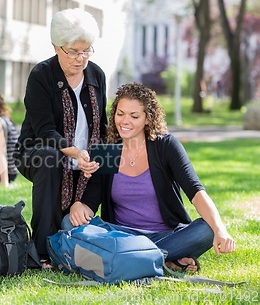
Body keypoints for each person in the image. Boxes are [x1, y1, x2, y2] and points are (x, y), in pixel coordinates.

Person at [63, 83, 235, 272]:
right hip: (121, 237)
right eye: (120, 114)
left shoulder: (166, 146)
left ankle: (134, 258)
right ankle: (164, 259)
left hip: (166, 235)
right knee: (69, 223)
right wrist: (79, 206)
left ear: (147, 118)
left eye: (134, 116)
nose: (124, 121)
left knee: (206, 229)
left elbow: (196, 192)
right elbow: (90, 203)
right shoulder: (108, 151)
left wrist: (220, 229)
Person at [14, 8, 108, 268]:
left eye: (86, 50)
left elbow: (101, 127)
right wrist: (76, 152)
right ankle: (42, 250)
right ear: (56, 47)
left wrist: (95, 158)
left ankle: (108, 231)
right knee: (50, 158)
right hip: (38, 151)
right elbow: (45, 131)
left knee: (110, 159)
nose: (81, 58)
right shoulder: (41, 75)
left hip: (82, 156)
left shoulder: (96, 75)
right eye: (74, 51)